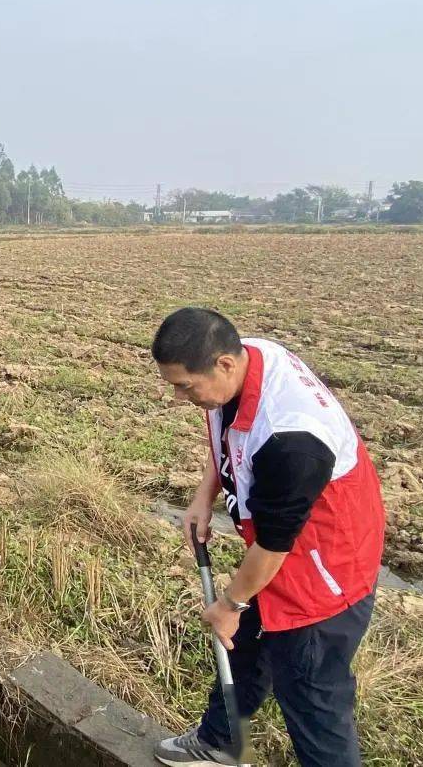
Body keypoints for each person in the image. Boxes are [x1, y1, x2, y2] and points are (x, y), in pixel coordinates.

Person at [150, 308, 385, 767]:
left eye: (184, 385)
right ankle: (220, 740)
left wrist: (230, 604)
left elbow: (277, 544)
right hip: (278, 554)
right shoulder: (247, 360)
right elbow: (229, 436)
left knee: (313, 698)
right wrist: (205, 494)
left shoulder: (291, 437)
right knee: (243, 650)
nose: (178, 397)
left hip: (322, 574)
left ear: (223, 365)